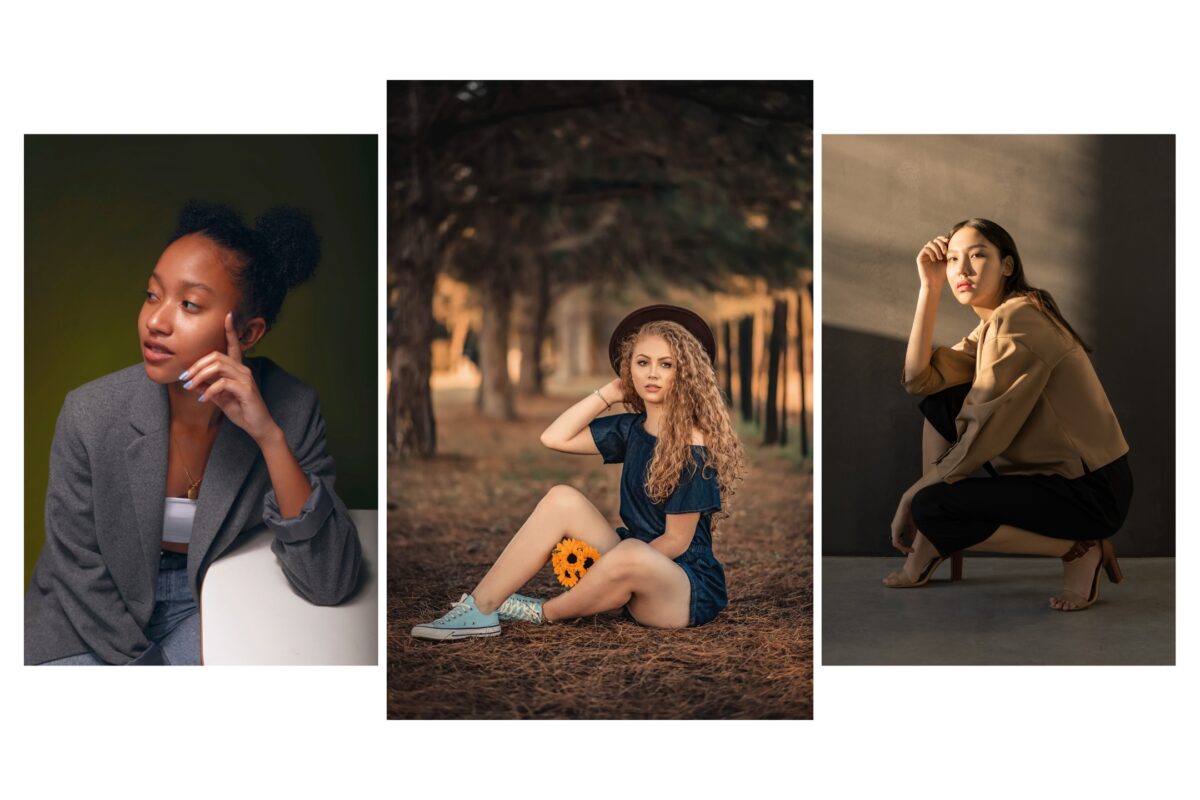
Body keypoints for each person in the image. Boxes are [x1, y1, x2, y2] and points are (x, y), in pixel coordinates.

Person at [25, 202, 363, 665]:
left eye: (189, 304)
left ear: (247, 333)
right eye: (151, 295)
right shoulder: (89, 413)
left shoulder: (292, 409)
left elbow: (330, 580)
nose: (156, 321)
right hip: (85, 618)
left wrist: (268, 437)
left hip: (208, 602)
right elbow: (78, 571)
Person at [411, 304, 745, 639]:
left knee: (629, 553)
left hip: (680, 588)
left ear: (685, 373)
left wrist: (605, 572)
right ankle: (480, 608)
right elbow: (554, 437)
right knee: (562, 499)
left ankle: (541, 611)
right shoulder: (632, 430)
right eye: (642, 362)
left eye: (666, 364)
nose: (652, 373)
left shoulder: (693, 445)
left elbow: (675, 542)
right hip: (630, 563)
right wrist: (610, 393)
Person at [887, 218, 1132, 611]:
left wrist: (912, 495)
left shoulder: (1019, 320)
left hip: (1089, 491)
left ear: (1007, 265)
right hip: (1056, 482)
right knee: (942, 400)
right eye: (952, 259)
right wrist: (928, 288)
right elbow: (921, 381)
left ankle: (1079, 548)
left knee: (931, 505)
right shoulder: (993, 325)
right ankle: (931, 536)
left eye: (977, 256)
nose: (961, 270)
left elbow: (985, 435)